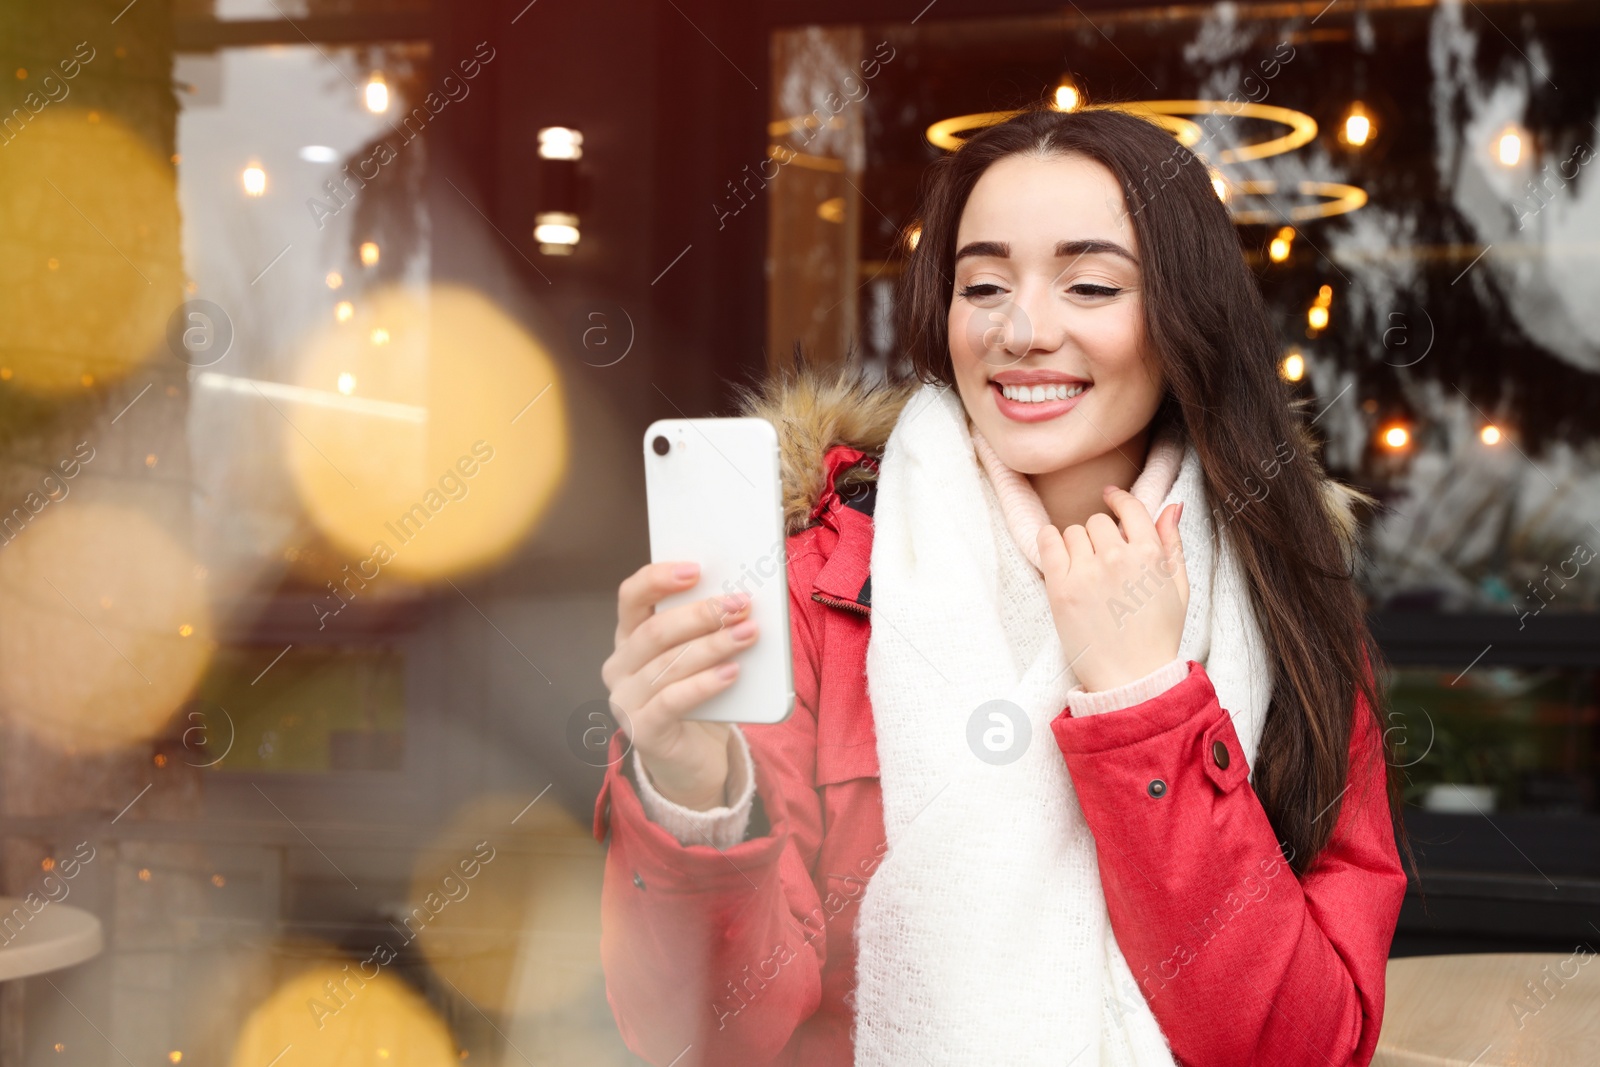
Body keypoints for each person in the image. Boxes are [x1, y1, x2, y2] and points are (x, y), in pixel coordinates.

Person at [593, 105, 1408, 1067]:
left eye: (1092, 284)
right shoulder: (815, 589)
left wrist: (1146, 701)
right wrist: (694, 793)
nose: (1021, 330)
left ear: (1186, 317)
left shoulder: (1288, 611)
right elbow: (707, 1036)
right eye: (981, 285)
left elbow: (1299, 1048)